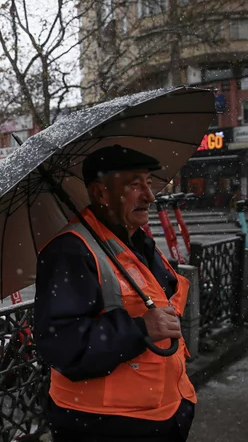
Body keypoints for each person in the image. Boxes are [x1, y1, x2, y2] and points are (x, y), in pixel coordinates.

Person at [34, 145, 196, 442]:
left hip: (163, 412)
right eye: (135, 185)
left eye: (148, 183)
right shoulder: (70, 251)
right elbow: (61, 345)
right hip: (107, 424)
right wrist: (141, 328)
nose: (149, 196)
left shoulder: (138, 240)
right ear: (100, 193)